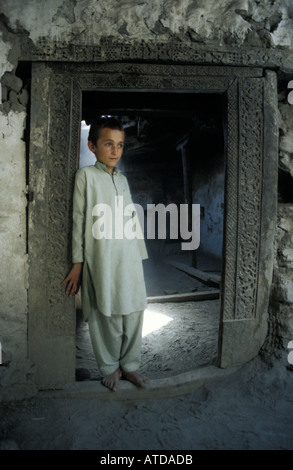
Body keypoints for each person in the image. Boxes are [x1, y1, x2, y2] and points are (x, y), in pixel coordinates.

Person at [62, 117, 149, 391]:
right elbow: (78, 219)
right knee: (106, 311)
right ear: (92, 146)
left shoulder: (122, 180)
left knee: (135, 308)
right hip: (101, 256)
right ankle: (111, 367)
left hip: (129, 256)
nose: (115, 151)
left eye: (120, 145)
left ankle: (130, 366)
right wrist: (78, 262)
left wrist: (139, 253)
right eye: (108, 144)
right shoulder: (85, 176)